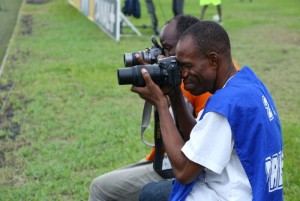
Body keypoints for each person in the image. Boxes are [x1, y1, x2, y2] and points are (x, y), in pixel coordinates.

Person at [132, 21, 283, 200]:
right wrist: (174, 91)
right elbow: (197, 136)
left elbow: (183, 171)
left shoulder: (225, 105)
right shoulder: (248, 84)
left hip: (232, 196)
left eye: (187, 66)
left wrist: (161, 104)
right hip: (257, 191)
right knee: (153, 192)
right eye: (179, 67)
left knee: (150, 195)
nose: (183, 74)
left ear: (213, 60)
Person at [88, 15, 211, 201]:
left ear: (188, 45)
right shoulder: (194, 72)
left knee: (100, 188)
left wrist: (161, 101)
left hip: (185, 168)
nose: (161, 56)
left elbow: (197, 147)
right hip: (166, 159)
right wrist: (164, 86)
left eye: (167, 49)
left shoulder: (201, 80)